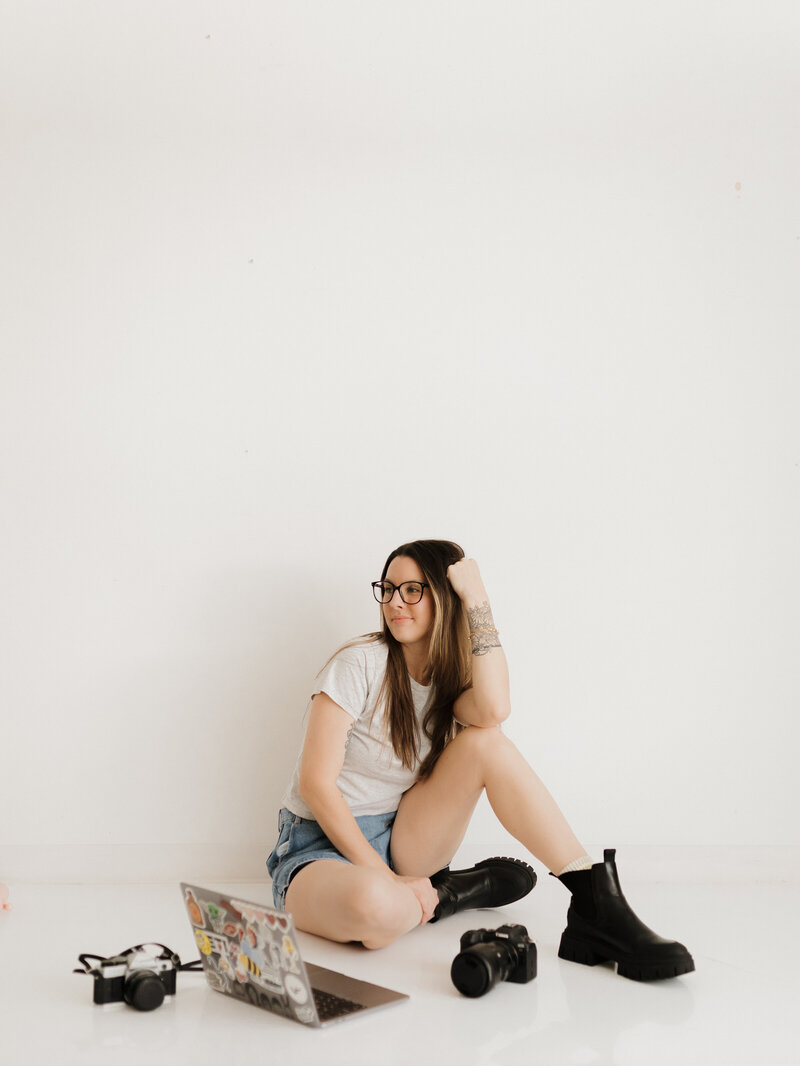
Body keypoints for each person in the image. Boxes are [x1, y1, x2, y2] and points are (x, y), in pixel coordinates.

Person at [267, 539, 694, 981]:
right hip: (317, 846)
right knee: (378, 911)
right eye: (388, 589)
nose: (396, 602)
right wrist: (386, 878)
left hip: (401, 835)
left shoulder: (448, 680)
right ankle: (451, 894)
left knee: (486, 741)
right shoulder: (359, 664)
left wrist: (478, 598)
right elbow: (316, 785)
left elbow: (493, 709)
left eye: (413, 590)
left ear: (444, 598)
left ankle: (592, 901)